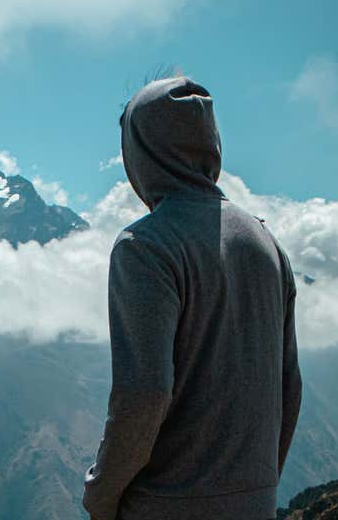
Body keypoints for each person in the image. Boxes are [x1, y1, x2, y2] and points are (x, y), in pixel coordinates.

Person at [82, 76, 303, 520]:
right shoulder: (267, 243)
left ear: (143, 154)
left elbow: (144, 394)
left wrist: (101, 496)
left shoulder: (145, 247)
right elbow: (289, 387)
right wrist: (256, 488)